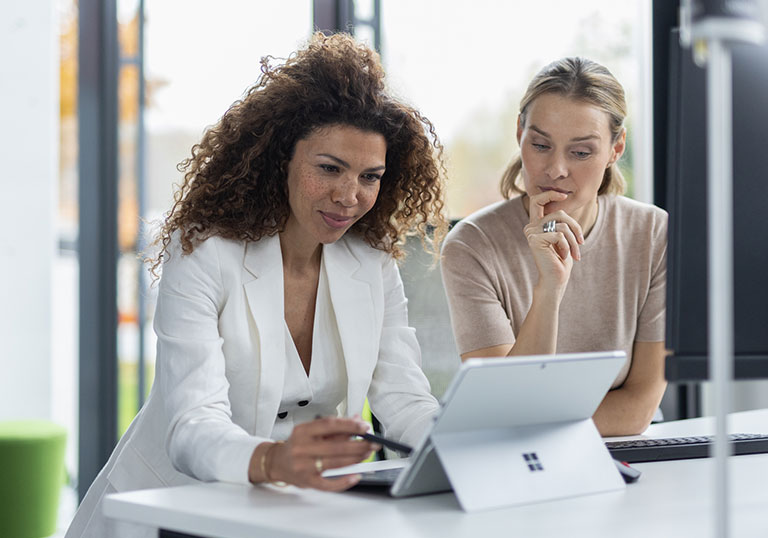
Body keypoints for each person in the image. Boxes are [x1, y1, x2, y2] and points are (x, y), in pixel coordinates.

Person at [66, 32, 447, 538]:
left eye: (370, 177)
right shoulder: (203, 252)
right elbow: (193, 426)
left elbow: (404, 399)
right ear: (280, 160)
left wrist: (458, 453)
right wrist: (273, 460)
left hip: (292, 515)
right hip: (171, 508)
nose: (349, 196)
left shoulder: (371, 262)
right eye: (329, 168)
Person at [441, 57, 667, 437]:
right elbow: (506, 406)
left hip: (621, 448)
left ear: (616, 148)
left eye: (581, 152)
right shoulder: (471, 246)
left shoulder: (653, 234)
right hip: (513, 455)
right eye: (541, 145)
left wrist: (538, 421)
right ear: (520, 134)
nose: (556, 169)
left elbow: (639, 409)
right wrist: (549, 289)